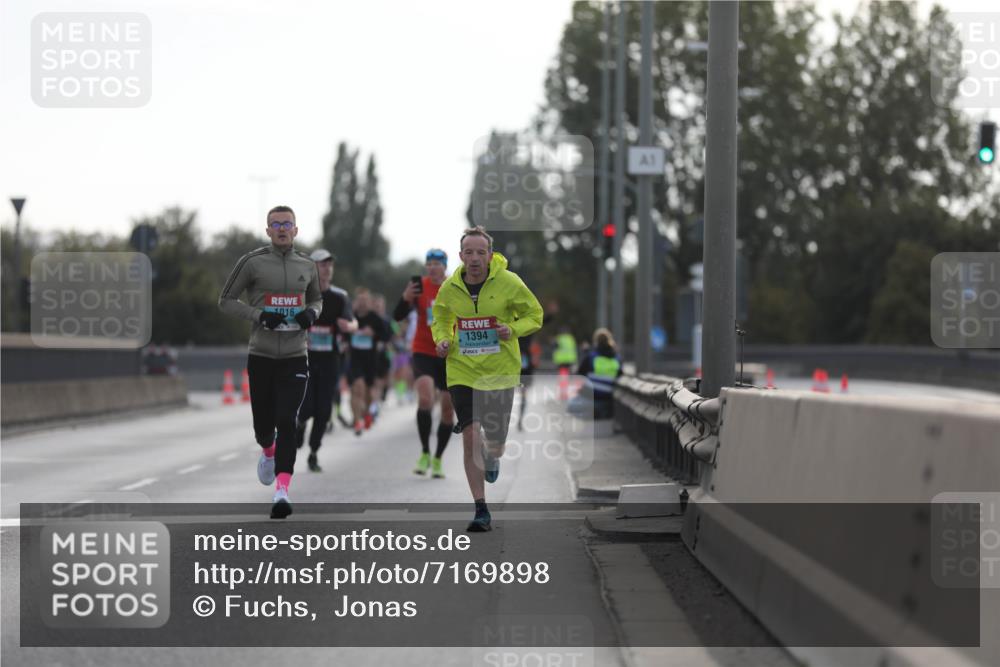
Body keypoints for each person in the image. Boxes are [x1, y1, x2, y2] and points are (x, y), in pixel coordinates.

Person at [431, 227, 542, 532]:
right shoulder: (450, 288)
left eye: (481, 252)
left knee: (495, 444)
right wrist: (442, 339)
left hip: (499, 371)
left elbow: (535, 315)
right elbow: (441, 319)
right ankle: (481, 508)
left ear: (490, 256)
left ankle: (492, 456)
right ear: (461, 256)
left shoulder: (509, 282)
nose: (475, 258)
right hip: (462, 370)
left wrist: (512, 329)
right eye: (469, 252)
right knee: (470, 434)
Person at [218, 205, 322, 519]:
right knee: (264, 427)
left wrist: (311, 313)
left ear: (296, 230)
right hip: (261, 355)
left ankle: (282, 491)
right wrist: (260, 315)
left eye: (287, 224)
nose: (281, 229)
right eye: (275, 224)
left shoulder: (307, 265)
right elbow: (225, 301)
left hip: (295, 355)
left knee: (287, 420)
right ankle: (268, 449)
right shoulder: (252, 262)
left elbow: (317, 299)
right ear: (267, 231)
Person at [393, 249, 455, 478]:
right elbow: (397, 316)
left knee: (447, 409)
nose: (432, 268)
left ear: (445, 266)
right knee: (426, 398)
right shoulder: (419, 286)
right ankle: (425, 452)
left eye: (437, 263)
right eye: (429, 264)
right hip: (423, 350)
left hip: (449, 353)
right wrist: (405, 297)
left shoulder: (454, 287)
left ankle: (438, 458)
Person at [295, 249, 357, 471]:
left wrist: (349, 326)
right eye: (322, 264)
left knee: (323, 411)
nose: (327, 268)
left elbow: (353, 322)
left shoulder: (340, 296)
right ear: (312, 267)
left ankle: (313, 452)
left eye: (329, 264)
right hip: (305, 358)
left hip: (331, 359)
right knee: (307, 406)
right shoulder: (302, 294)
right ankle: (300, 424)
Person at [348, 288, 390, 435]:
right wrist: (349, 332)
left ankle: (366, 413)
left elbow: (386, 336)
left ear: (369, 302)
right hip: (354, 358)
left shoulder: (375, 318)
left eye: (365, 300)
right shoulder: (350, 316)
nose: (362, 303)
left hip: (371, 359)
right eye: (360, 300)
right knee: (357, 388)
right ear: (356, 301)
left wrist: (373, 334)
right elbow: (341, 331)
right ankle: (357, 421)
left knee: (368, 392)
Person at [576, 328, 623, 420]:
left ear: (596, 341)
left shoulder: (591, 356)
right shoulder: (617, 358)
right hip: (608, 397)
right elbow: (620, 375)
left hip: (592, 396)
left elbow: (579, 373)